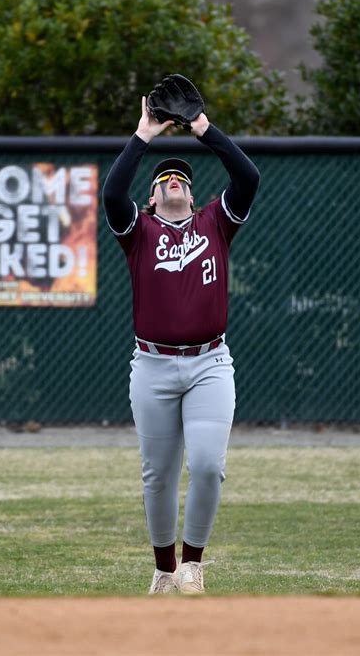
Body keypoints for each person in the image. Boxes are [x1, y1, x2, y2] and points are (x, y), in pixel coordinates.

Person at [103, 94, 260, 594]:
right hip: (151, 366)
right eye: (163, 179)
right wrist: (145, 134)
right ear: (151, 199)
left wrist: (203, 128)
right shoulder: (140, 232)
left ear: (193, 198)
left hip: (210, 361)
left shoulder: (216, 222)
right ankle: (163, 570)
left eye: (183, 179)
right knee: (158, 476)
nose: (174, 180)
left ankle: (192, 564)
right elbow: (111, 195)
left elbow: (248, 178)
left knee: (209, 465)